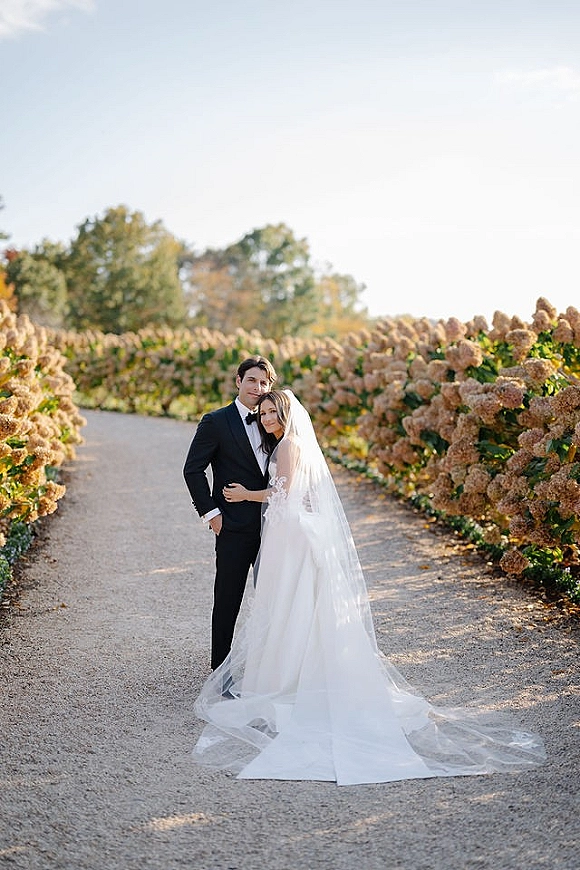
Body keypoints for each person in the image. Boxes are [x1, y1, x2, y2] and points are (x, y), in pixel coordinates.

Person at [192, 389, 546, 785]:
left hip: (291, 534)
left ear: (287, 414)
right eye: (265, 412)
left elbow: (283, 492)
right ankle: (282, 675)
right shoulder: (281, 442)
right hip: (287, 533)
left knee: (291, 604)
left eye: (274, 412)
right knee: (289, 604)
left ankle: (287, 680)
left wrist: (244, 494)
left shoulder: (289, 446)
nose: (267, 418)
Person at [183, 356, 277, 671]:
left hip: (273, 527)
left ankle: (269, 669)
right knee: (228, 601)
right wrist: (212, 514)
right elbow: (193, 469)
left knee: (273, 599)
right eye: (252, 380)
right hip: (233, 527)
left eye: (264, 382)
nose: (258, 387)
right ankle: (219, 670)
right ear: (238, 381)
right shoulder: (216, 421)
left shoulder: (273, 420)